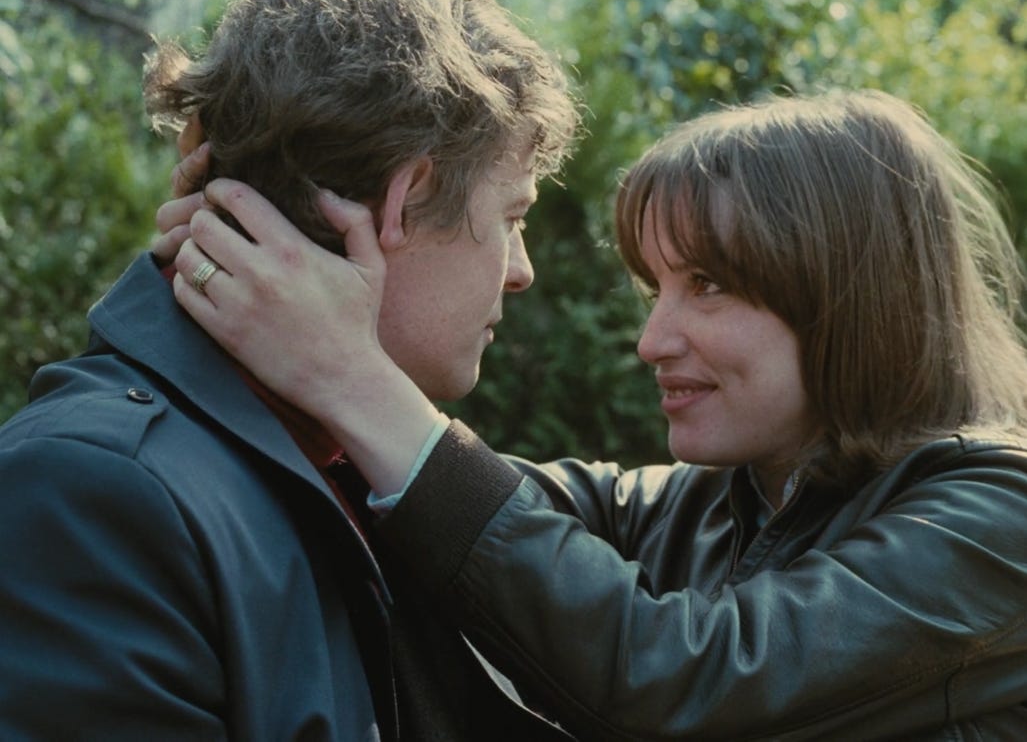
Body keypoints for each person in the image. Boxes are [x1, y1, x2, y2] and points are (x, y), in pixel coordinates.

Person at [161, 89, 1027, 739]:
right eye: (656, 289)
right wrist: (255, 295)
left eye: (710, 286)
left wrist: (349, 376)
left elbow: (683, 679)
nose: (652, 340)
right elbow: (467, 513)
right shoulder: (708, 507)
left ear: (852, 300)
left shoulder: (999, 519)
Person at [0, 0, 578, 738]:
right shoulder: (97, 490)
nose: (520, 271)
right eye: (513, 218)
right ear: (407, 197)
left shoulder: (352, 459)